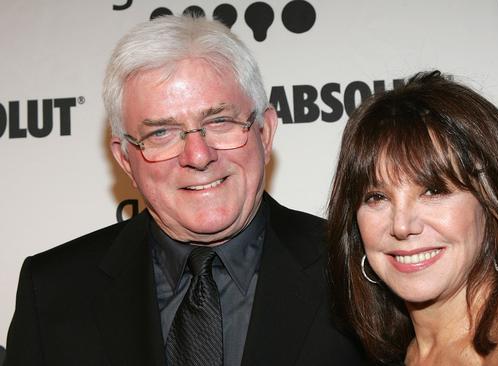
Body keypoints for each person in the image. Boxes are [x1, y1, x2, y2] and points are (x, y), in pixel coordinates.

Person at [5, 15, 366, 366]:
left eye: (219, 121)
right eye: (160, 133)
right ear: (126, 160)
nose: (198, 156)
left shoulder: (355, 271)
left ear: (265, 132)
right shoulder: (53, 291)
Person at [327, 71, 498, 365]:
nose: (402, 225)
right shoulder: (396, 355)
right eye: (377, 197)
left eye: (434, 191)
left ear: (492, 203)